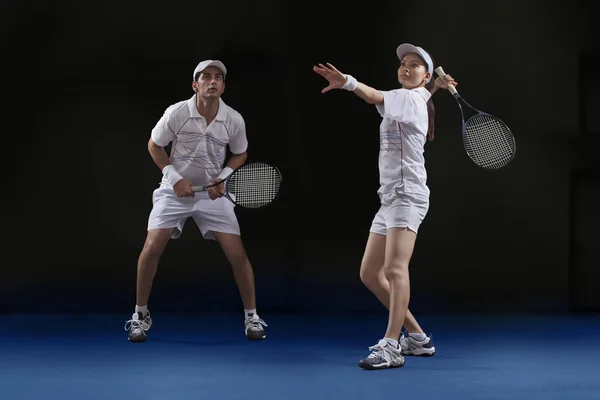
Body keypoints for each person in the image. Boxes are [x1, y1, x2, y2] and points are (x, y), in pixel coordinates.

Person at [313, 43, 456, 369]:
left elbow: (375, 96)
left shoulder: (407, 98)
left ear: (425, 75)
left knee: (394, 270)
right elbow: (420, 97)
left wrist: (346, 81)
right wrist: (435, 87)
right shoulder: (418, 98)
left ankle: (391, 346)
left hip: (407, 195)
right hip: (390, 197)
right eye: (403, 64)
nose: (405, 68)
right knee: (369, 273)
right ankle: (418, 338)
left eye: (414, 66)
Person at [124, 60, 268, 342]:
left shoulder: (234, 119)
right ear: (196, 85)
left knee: (237, 254)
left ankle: (252, 316)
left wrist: (223, 177)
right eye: (206, 77)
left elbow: (240, 153)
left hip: (213, 193)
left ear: (223, 86)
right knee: (152, 246)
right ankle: (140, 315)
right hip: (173, 190)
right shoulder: (177, 113)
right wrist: (174, 177)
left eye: (218, 78)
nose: (212, 81)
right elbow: (155, 145)